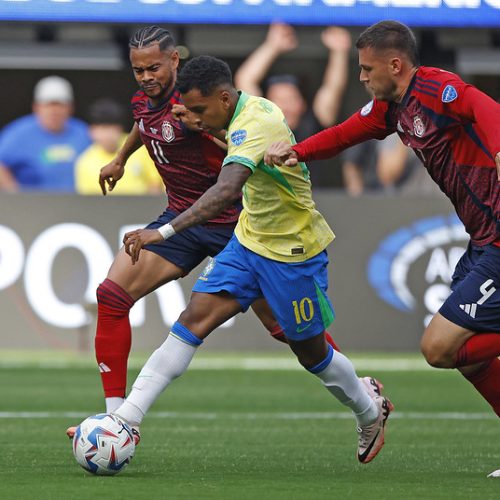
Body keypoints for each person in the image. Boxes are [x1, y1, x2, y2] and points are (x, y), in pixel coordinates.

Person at [64, 26, 342, 438]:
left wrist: (203, 127)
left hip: (235, 225)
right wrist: (121, 158)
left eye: (154, 67)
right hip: (182, 217)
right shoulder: (144, 100)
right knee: (112, 295)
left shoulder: (198, 104)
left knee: (290, 331)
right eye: (138, 70)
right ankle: (116, 419)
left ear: (175, 60)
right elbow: (145, 123)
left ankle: (359, 385)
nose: (146, 77)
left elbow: (239, 147)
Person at [115, 55, 393, 464]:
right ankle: (125, 419)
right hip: (248, 244)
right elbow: (227, 141)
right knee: (192, 321)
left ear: (225, 98)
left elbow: (226, 190)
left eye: (199, 110)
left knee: (312, 354)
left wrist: (164, 231)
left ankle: (369, 410)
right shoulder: (235, 115)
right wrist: (203, 126)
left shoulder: (257, 122)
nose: (193, 118)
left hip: (293, 252)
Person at [264, 20, 500, 426]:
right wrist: (297, 152)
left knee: (439, 347)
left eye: (367, 69)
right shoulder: (394, 108)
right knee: (465, 357)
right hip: (483, 239)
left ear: (395, 65)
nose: (362, 77)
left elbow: (485, 106)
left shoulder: (434, 88)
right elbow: (343, 134)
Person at [234, 23, 352, 187]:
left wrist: (339, 51)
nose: (285, 106)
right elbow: (245, 80)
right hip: (269, 206)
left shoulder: (314, 123)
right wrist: (272, 46)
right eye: (278, 100)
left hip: (309, 205)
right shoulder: (262, 124)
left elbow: (333, 87)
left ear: (302, 104)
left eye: (290, 99)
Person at [0, 76, 90, 192]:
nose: (54, 111)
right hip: (34, 205)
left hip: (77, 204)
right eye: (48, 105)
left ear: (70, 108)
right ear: (36, 107)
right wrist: (15, 194)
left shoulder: (83, 133)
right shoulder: (18, 133)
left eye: (60, 105)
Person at [75, 98, 162, 195]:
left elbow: (156, 184)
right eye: (102, 128)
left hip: (142, 207)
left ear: (120, 128)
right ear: (91, 131)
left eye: (111, 127)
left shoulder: (140, 147)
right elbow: (87, 200)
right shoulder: (85, 161)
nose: (107, 134)